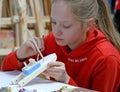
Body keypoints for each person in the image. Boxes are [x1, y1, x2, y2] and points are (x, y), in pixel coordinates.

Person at [1, 0, 120, 92]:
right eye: (53, 22)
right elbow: (5, 73)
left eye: (66, 25)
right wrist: (20, 55)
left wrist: (66, 81)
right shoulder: (55, 40)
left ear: (88, 24)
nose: (57, 31)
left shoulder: (106, 59)